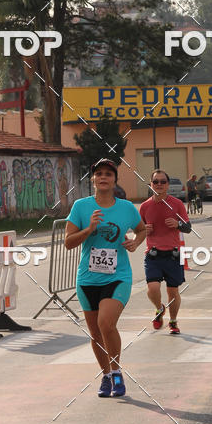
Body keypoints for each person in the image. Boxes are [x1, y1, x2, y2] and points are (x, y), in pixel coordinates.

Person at [65, 158, 146, 398]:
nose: (103, 177)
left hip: (118, 277)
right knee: (96, 334)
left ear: (114, 180)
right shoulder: (81, 206)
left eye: (108, 174)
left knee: (106, 323)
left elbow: (142, 229)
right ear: (93, 179)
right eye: (98, 173)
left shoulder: (126, 208)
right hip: (87, 279)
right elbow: (68, 242)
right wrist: (89, 229)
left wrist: (135, 242)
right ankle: (106, 375)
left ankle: (117, 372)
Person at [139, 169, 192, 335]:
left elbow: (188, 227)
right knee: (153, 288)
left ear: (168, 185)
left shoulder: (177, 204)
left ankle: (173, 321)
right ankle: (159, 308)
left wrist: (178, 224)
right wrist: (144, 230)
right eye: (156, 182)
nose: (159, 184)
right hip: (153, 254)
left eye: (163, 182)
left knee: (172, 291)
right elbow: (138, 230)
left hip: (173, 255)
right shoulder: (145, 206)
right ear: (151, 184)